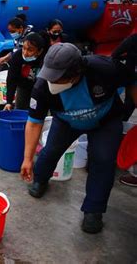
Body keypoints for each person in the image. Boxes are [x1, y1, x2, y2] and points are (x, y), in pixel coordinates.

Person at [21, 43, 135, 234]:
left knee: (103, 160)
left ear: (77, 72)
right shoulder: (42, 86)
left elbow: (132, 81)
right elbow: (34, 123)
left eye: (59, 77)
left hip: (105, 120)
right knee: (51, 150)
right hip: (66, 122)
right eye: (50, 76)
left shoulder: (104, 68)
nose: (53, 82)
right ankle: (40, 179)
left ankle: (94, 209)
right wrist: (27, 158)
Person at [112, 33, 137, 186]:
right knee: (125, 110)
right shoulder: (133, 40)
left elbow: (115, 55)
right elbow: (116, 54)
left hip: (132, 81)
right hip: (131, 79)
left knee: (124, 112)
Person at [4, 33, 47, 111]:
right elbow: (11, 79)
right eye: (24, 48)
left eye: (30, 50)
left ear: (39, 51)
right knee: (20, 109)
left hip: (42, 90)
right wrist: (9, 102)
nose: (25, 53)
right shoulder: (17, 56)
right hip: (23, 87)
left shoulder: (46, 58)